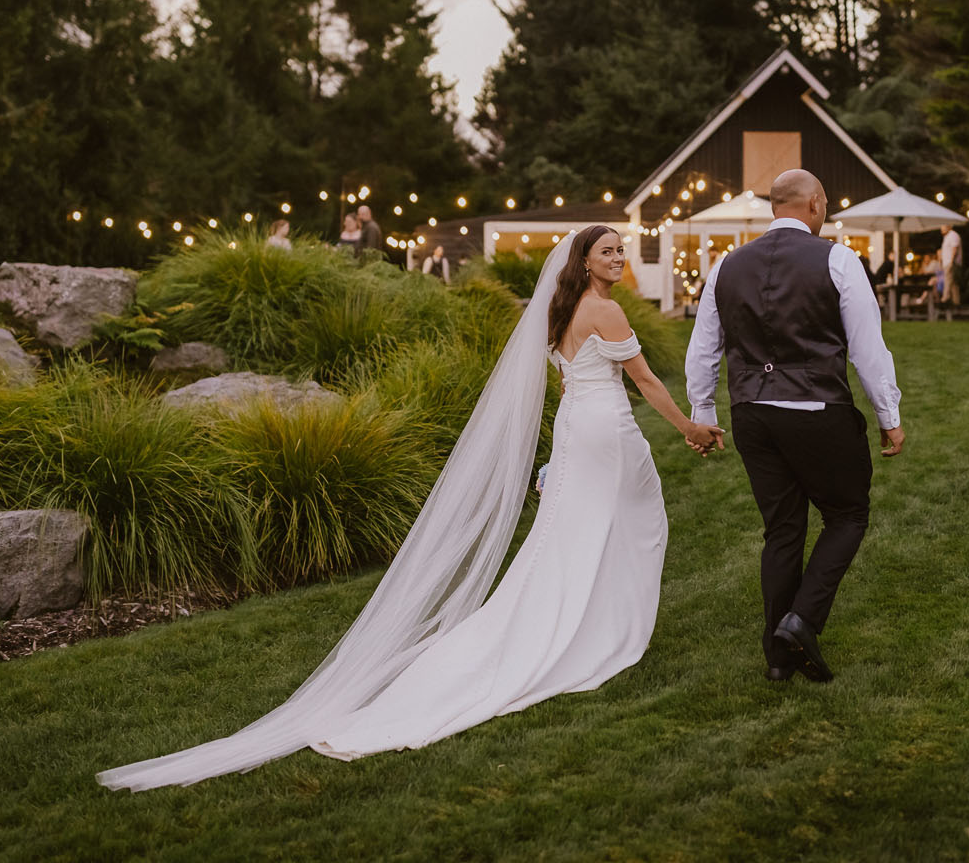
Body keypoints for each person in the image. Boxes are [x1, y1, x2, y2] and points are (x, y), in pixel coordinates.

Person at [96, 225, 723, 790]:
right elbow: (642, 381)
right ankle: (593, 628)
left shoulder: (561, 309)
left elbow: (569, 380)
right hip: (604, 429)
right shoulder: (604, 311)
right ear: (585, 263)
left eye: (619, 250)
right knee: (627, 518)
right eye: (606, 251)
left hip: (578, 426)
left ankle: (585, 614)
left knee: (578, 531)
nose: (617, 258)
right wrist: (691, 428)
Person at [685, 169, 904, 685]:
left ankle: (778, 659)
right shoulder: (838, 259)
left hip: (751, 415)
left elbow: (702, 349)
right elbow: (868, 351)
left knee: (782, 529)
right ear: (816, 204)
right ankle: (800, 622)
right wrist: (888, 415)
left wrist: (704, 413)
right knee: (848, 514)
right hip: (816, 410)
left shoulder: (725, 266)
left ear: (772, 207)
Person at [939, 224, 962, 310]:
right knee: (953, 283)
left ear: (948, 226)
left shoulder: (953, 235)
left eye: (942, 227)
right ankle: (956, 302)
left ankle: (944, 299)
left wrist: (952, 261)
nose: (941, 229)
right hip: (947, 262)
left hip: (951, 263)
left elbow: (954, 249)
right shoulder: (947, 237)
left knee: (948, 281)